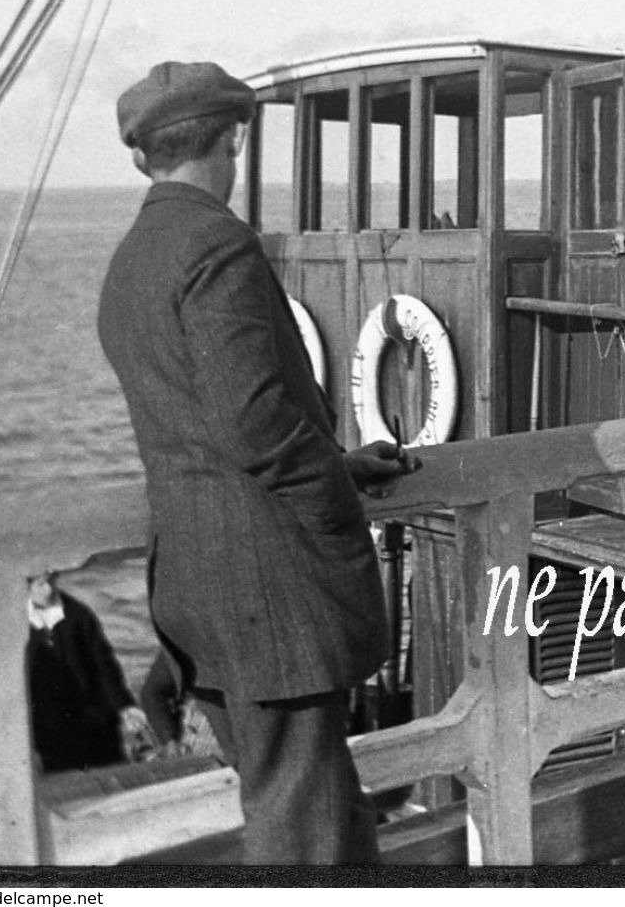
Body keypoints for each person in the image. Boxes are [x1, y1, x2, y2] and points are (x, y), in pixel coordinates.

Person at [97, 61, 416, 864]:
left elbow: (204, 426)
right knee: (301, 831)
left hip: (197, 581)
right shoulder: (217, 245)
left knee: (320, 810)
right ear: (235, 137)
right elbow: (254, 427)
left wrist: (338, 464)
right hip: (269, 593)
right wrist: (333, 510)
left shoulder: (133, 256)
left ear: (143, 156)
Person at [25, 570, 149, 773]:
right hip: (50, 729)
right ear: (26, 588)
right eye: (40, 585)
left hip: (94, 719)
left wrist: (124, 705)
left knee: (110, 774)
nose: (48, 589)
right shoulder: (17, 623)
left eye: (50, 582)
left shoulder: (77, 614)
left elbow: (104, 664)